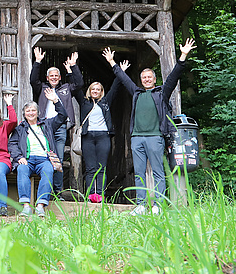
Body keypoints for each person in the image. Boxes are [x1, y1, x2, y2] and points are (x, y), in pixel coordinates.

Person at [104, 39, 196, 215]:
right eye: (143, 78)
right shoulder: (136, 93)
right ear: (140, 80)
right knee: (139, 173)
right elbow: (123, 79)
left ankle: (158, 205)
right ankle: (141, 205)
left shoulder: (162, 93)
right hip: (137, 137)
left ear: (154, 79)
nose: (146, 79)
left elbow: (174, 76)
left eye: (149, 77)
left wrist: (183, 55)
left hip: (155, 137)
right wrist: (112, 62)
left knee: (158, 172)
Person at [72, 59, 129, 202]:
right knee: (91, 168)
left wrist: (120, 71)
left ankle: (100, 195)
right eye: (93, 89)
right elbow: (76, 87)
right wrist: (72, 68)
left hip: (103, 136)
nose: (95, 91)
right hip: (88, 137)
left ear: (101, 92)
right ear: (90, 92)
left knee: (101, 168)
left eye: (98, 89)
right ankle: (91, 195)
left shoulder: (106, 101)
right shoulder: (84, 102)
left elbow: (116, 87)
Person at [30, 48, 83, 195]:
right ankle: (43, 190)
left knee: (57, 158)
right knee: (42, 157)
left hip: (60, 126)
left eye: (56, 76)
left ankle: (57, 191)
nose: (53, 77)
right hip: (44, 127)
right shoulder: (42, 87)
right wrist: (38, 62)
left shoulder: (66, 88)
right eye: (51, 76)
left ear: (60, 77)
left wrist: (73, 67)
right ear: (47, 78)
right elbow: (33, 80)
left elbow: (79, 84)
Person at [8, 88, 67, 217]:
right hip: (27, 159)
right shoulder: (20, 129)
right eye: (28, 111)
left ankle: (40, 205)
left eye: (33, 110)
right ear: (24, 113)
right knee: (22, 170)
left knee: (48, 170)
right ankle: (26, 206)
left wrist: (56, 100)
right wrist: (19, 157)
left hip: (44, 159)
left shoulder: (47, 124)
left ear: (38, 112)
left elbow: (63, 116)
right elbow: (12, 144)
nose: (31, 113)